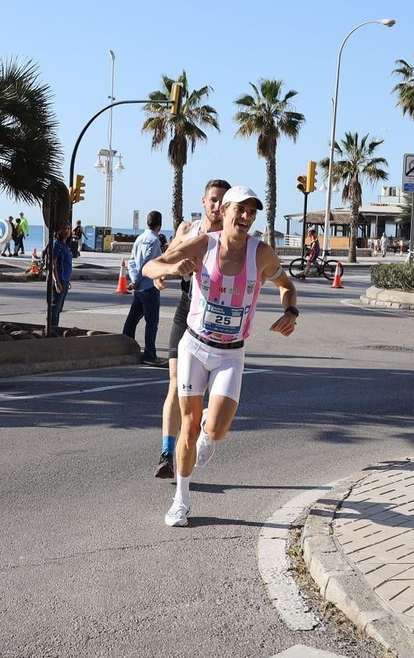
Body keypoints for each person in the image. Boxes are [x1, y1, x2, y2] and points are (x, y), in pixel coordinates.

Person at [144, 185, 298, 527]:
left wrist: (291, 312)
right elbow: (151, 267)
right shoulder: (204, 245)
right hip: (195, 347)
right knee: (188, 424)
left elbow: (287, 286)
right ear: (224, 211)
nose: (245, 217)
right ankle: (180, 501)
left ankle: (208, 434)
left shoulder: (262, 254)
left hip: (231, 354)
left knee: (216, 429)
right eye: (239, 210)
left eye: (251, 212)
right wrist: (171, 270)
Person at [151, 179, 229, 478]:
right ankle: (167, 453)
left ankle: (202, 429)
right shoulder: (188, 230)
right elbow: (163, 260)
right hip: (187, 308)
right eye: (212, 199)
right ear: (204, 201)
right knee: (174, 383)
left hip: (214, 315)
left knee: (200, 391)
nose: (216, 205)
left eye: (222, 201)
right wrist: (163, 275)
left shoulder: (230, 238)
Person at [122, 211, 166, 366]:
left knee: (132, 319)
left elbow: (132, 261)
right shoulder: (154, 240)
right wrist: (139, 280)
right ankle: (150, 354)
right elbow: (147, 263)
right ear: (160, 223)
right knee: (151, 322)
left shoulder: (139, 238)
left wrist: (134, 280)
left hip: (140, 287)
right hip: (149, 286)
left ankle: (125, 347)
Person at [46, 226, 72, 330]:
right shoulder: (57, 245)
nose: (66, 231)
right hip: (58, 279)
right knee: (54, 308)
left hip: (65, 279)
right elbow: (52, 264)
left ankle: (55, 329)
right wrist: (57, 281)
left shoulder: (65, 245)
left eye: (68, 229)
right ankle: (52, 330)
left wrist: (67, 280)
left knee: (59, 308)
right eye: (64, 228)